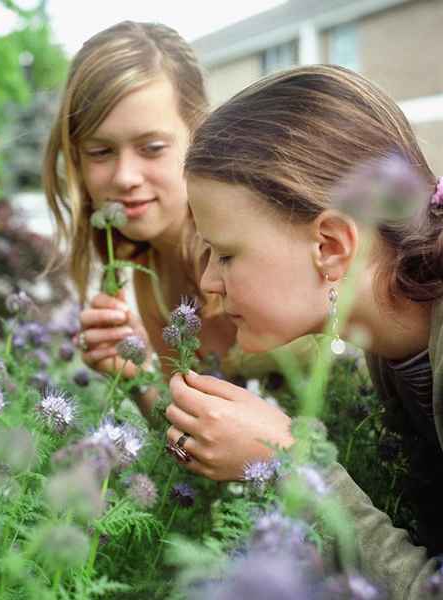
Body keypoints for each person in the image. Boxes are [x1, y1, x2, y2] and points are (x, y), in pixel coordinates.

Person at [165, 64, 443, 599]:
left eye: (225, 253)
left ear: (331, 247)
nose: (207, 281)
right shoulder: (391, 344)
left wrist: (290, 463)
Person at [43, 21, 318, 417]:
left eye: (152, 148)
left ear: (199, 134)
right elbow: (198, 449)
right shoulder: (147, 272)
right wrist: (136, 378)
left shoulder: (258, 241)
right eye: (100, 152)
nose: (125, 177)